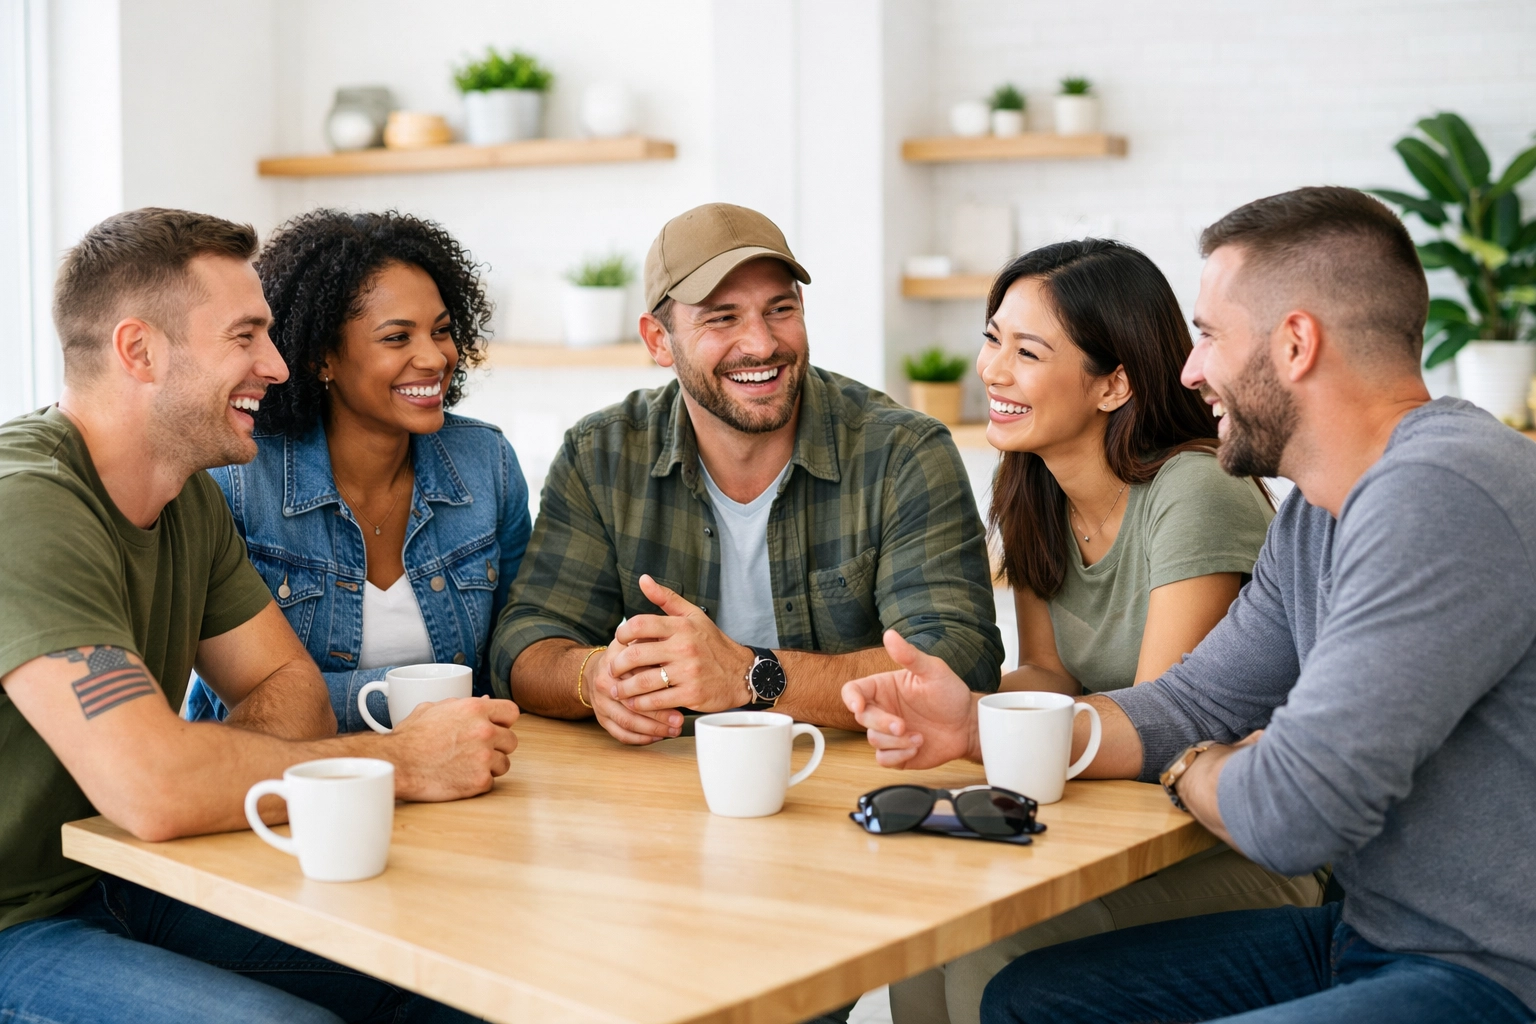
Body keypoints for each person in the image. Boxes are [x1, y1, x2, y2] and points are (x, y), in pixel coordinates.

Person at [843, 186, 1536, 1024]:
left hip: (1490, 975)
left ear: (1295, 344)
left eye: (1208, 335)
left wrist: (1190, 766)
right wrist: (975, 729)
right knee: (1030, 997)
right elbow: (1195, 701)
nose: (1189, 369)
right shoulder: (1319, 512)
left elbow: (1291, 810)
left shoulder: (1440, 491)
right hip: (1365, 936)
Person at [0, 208, 519, 1024]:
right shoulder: (25, 505)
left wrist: (187, 765)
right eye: (245, 337)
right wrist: (403, 763)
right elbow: (156, 789)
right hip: (17, 924)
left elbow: (295, 692)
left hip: (130, 874)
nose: (277, 366)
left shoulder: (184, 495)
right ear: (139, 350)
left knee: (464, 976)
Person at [890, 240, 1320, 1024]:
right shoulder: (1033, 489)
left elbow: (1163, 722)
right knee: (927, 929)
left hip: (1227, 849)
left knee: (991, 946)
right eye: (992, 339)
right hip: (1117, 828)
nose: (992, 370)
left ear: (1114, 382)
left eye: (1028, 351)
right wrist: (963, 706)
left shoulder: (1194, 492)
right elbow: (1050, 674)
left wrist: (987, 735)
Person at [494, 201, 1003, 744]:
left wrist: (746, 674)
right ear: (657, 341)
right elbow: (524, 643)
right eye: (722, 317)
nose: (761, 344)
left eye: (780, 309)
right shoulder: (600, 455)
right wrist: (593, 676)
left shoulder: (903, 451)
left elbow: (957, 657)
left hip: (852, 785)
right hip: (662, 792)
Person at [184, 210, 531, 732]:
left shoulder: (486, 462)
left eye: (441, 331)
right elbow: (243, 699)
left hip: (456, 773)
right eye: (397, 338)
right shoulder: (236, 481)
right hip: (279, 784)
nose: (434, 357)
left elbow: (513, 655)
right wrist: (414, 699)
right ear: (322, 357)